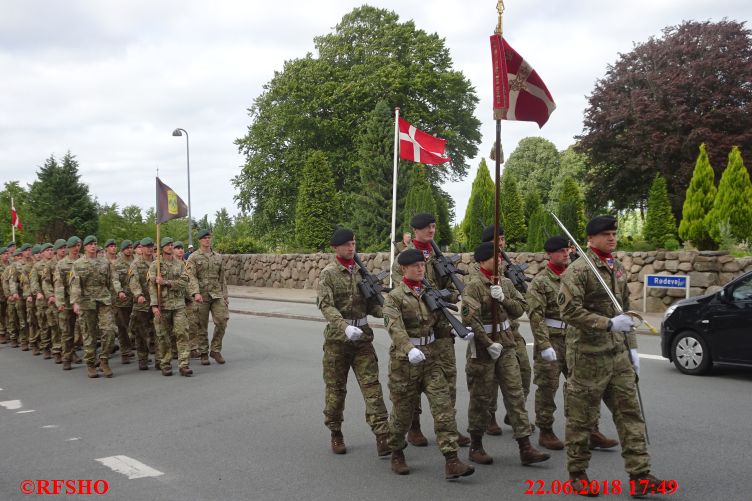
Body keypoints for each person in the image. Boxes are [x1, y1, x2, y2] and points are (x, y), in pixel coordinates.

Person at [559, 215, 664, 496]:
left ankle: (640, 474)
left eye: (614, 233)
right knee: (582, 419)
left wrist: (632, 347)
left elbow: (626, 311)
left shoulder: (616, 268)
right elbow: (569, 311)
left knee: (630, 415)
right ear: (590, 239)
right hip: (588, 356)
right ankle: (578, 473)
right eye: (606, 234)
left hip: (617, 354)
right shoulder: (579, 270)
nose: (612, 238)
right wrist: (606, 323)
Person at [384, 248, 475, 480]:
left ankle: (452, 460)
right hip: (406, 363)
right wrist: (409, 348)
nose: (420, 269)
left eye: (422, 265)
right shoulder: (394, 297)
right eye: (415, 266)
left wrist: (459, 331)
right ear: (404, 269)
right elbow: (395, 329)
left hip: (432, 358)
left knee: (443, 408)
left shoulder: (429, 292)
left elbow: (440, 319)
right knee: (403, 413)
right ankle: (396, 451)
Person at [462, 241, 550, 466]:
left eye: (501, 257)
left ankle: (525, 447)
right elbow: (469, 318)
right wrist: (487, 343)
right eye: (495, 258)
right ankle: (476, 445)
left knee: (516, 393)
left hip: (507, 344)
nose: (500, 261)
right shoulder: (473, 285)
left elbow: (520, 308)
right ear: (483, 261)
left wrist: (503, 298)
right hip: (483, 349)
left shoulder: (507, 283)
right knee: (481, 398)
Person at [527, 236, 618, 451]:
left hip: (576, 339)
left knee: (582, 388)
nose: (566, 253)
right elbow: (535, 316)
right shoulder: (540, 282)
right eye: (560, 251)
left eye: (567, 250)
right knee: (547, 387)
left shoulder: (576, 276)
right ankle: (546, 430)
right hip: (552, 339)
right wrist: (543, 345)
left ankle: (590, 430)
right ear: (549, 254)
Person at [316, 229, 390, 456]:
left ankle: (382, 436)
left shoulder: (362, 273)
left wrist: (389, 311)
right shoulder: (328, 274)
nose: (351, 247)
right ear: (335, 248)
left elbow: (372, 306)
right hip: (338, 341)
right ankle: (335, 432)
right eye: (347, 244)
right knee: (336, 390)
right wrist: (344, 326)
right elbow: (326, 305)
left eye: (354, 243)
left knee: (372, 388)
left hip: (363, 340)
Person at [480, 224, 533, 432]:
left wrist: (516, 280)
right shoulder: (480, 265)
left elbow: (520, 298)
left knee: (524, 372)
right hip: (490, 331)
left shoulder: (506, 264)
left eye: (502, 239)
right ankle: (490, 415)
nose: (501, 244)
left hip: (511, 329)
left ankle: (515, 414)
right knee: (491, 379)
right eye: (496, 240)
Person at [70, 235, 125, 378]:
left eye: (95, 243)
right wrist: (75, 302)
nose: (93, 246)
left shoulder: (105, 263)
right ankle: (90, 363)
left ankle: (104, 360)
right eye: (89, 244)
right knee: (89, 334)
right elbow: (75, 285)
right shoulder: (78, 264)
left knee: (109, 331)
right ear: (85, 247)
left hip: (104, 300)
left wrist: (118, 291)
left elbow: (113, 279)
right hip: (87, 302)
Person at [149, 237, 192, 376]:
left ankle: (184, 364)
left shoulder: (180, 265)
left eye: (171, 245)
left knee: (182, 333)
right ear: (162, 248)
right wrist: (154, 305)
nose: (170, 247)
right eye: (167, 245)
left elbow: (184, 282)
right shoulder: (156, 265)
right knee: (163, 336)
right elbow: (152, 287)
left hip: (178, 304)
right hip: (163, 305)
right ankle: (165, 363)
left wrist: (166, 282)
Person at [186, 229, 229, 365]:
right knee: (201, 325)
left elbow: (222, 278)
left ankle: (215, 349)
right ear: (199, 240)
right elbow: (191, 276)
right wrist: (195, 292)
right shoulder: (193, 257)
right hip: (201, 296)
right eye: (204, 238)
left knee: (222, 320)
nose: (207, 240)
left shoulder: (218, 257)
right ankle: (204, 352)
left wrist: (225, 295)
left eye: (209, 237)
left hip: (217, 294)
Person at [54, 236, 84, 370]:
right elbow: (59, 284)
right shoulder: (61, 264)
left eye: (79, 245)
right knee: (67, 331)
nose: (77, 248)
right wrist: (59, 302)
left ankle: (90, 357)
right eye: (74, 246)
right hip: (66, 302)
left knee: (87, 329)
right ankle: (67, 357)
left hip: (83, 300)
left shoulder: (84, 260)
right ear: (69, 248)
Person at [107, 239, 134, 364]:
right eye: (127, 248)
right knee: (122, 327)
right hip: (121, 300)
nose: (129, 249)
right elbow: (115, 280)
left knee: (136, 326)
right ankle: (125, 352)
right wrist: (119, 291)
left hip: (136, 299)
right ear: (123, 250)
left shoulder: (136, 261)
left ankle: (138, 350)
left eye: (130, 247)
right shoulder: (116, 264)